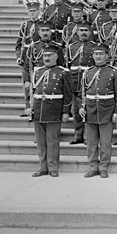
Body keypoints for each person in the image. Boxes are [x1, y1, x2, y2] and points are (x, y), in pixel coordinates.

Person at [27, 43, 72, 178]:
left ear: (56, 56)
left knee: (52, 141)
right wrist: (29, 107)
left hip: (54, 110)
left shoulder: (63, 72)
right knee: (41, 142)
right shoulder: (38, 71)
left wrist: (65, 112)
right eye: (45, 55)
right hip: (39, 110)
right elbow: (32, 92)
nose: (47, 58)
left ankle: (53, 167)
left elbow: (68, 94)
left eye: (50, 55)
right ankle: (43, 167)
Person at [79, 43, 117, 179]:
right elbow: (83, 92)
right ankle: (93, 167)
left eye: (101, 54)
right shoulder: (88, 72)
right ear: (92, 56)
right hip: (90, 109)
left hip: (107, 109)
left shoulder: (113, 72)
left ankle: (103, 167)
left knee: (105, 142)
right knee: (91, 142)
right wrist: (82, 106)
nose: (98, 56)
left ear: (107, 56)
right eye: (96, 54)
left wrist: (116, 111)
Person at [65, 21, 96, 145]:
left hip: (89, 83)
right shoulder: (71, 47)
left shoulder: (95, 47)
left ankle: (88, 137)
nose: (83, 33)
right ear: (77, 32)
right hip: (74, 82)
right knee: (75, 111)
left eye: (86, 30)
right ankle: (78, 135)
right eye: (81, 30)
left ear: (90, 32)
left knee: (88, 111)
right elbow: (67, 66)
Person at [15, 1, 42, 117]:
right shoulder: (25, 25)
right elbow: (18, 44)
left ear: (39, 11)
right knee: (27, 85)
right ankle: (27, 109)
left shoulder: (42, 24)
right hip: (26, 56)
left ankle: (37, 108)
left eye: (34, 11)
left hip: (38, 55)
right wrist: (18, 57)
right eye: (30, 11)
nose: (32, 13)